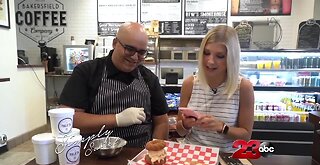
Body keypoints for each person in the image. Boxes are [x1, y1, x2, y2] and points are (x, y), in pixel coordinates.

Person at [59, 22, 169, 147]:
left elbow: (161, 122)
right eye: (129, 49)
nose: (134, 57)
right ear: (115, 43)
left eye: (141, 53)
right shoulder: (87, 72)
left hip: (139, 155)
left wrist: (153, 150)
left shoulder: (149, 79)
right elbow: (67, 120)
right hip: (94, 154)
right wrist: (117, 119)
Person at [176, 25, 254, 153]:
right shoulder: (190, 84)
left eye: (220, 56)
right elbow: (180, 131)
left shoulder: (243, 87)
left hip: (225, 158)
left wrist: (222, 127)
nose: (210, 61)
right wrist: (185, 124)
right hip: (192, 155)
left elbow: (246, 136)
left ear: (231, 58)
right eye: (206, 53)